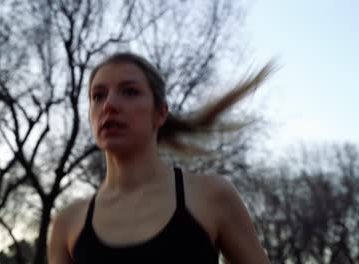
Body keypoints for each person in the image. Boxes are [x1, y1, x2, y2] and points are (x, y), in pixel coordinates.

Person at [48, 52, 272, 263]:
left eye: (129, 92)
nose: (109, 105)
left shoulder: (211, 196)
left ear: (160, 113)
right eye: (98, 96)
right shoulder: (67, 223)